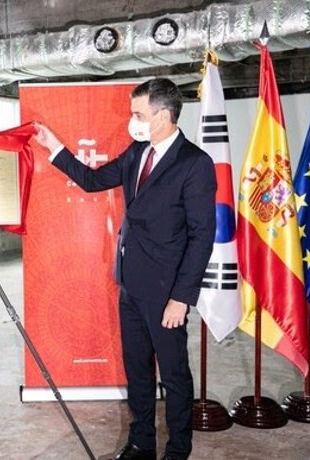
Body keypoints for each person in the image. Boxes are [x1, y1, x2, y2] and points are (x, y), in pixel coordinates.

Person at [34, 78, 216, 460]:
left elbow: (202, 237)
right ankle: (141, 444)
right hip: (130, 285)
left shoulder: (194, 164)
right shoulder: (136, 153)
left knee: (175, 376)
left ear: (163, 115)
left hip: (167, 293)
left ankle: (178, 450)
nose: (132, 120)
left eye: (138, 113)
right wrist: (56, 149)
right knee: (137, 373)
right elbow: (93, 180)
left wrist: (181, 299)